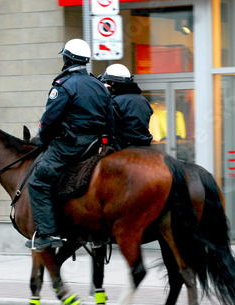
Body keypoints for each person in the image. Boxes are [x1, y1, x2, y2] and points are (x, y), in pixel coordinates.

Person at [26, 39, 114, 250]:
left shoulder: (63, 85)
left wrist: (45, 141)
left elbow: (50, 121)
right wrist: (106, 143)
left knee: (37, 180)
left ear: (67, 59)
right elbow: (110, 120)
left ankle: (47, 234)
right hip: (94, 145)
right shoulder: (99, 85)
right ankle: (98, 233)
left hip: (69, 145)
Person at [99, 64, 153, 149]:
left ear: (112, 83)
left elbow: (105, 124)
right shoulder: (143, 100)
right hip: (144, 146)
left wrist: (104, 93)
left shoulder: (114, 102)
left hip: (121, 148)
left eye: (107, 82)